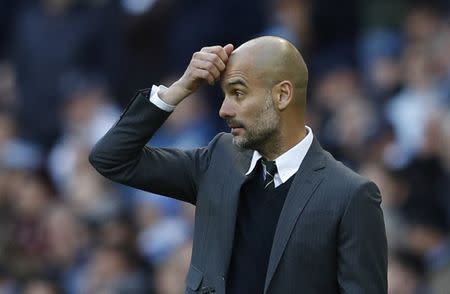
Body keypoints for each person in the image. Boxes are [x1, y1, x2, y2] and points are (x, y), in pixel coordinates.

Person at [89, 36, 387, 294]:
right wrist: (177, 90)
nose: (224, 109)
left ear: (282, 95)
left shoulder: (350, 195)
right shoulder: (218, 159)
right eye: (224, 95)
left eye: (239, 93)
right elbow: (112, 158)